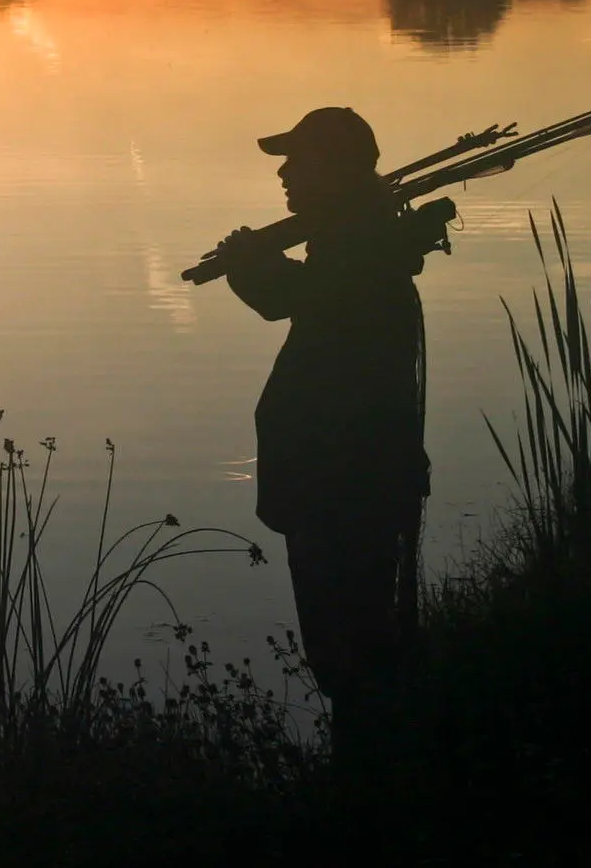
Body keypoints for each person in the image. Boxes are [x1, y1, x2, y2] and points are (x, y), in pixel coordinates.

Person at [215, 106, 431, 753]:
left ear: (334, 170)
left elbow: (300, 297)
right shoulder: (355, 242)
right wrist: (255, 262)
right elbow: (304, 293)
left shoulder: (358, 252)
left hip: (344, 493)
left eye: (298, 160)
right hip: (341, 490)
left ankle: (370, 799)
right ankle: (371, 780)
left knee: (354, 657)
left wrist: (248, 262)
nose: (284, 172)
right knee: (355, 656)